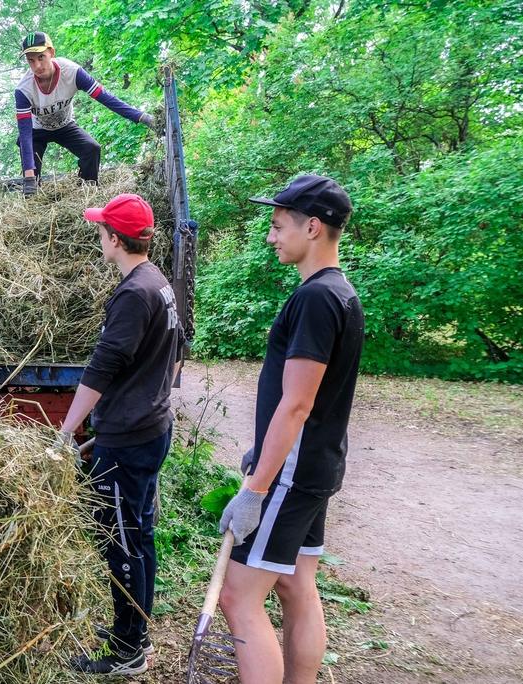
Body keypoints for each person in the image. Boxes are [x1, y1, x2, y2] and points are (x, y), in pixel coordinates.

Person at [217, 175, 363, 684]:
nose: (271, 237)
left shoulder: (316, 300)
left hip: (292, 474)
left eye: (279, 227)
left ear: (314, 227)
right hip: (316, 466)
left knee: (239, 597)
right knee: (296, 584)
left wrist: (258, 488)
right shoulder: (340, 293)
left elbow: (297, 404)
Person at [59, 194, 182, 675]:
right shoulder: (159, 283)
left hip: (128, 438)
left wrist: (66, 431)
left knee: (122, 539)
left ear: (115, 238)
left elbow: (102, 367)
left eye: (101, 231)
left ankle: (129, 652)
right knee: (139, 532)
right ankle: (135, 631)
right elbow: (176, 350)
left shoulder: (134, 293)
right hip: (150, 427)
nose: (98, 237)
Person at [14, 31, 155, 197]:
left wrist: (143, 118)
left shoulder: (72, 72)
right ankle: (31, 203)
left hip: (64, 126)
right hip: (36, 131)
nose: (37, 66)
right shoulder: (23, 89)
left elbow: (107, 98)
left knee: (92, 149)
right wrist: (29, 177)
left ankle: (87, 194)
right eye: (31, 60)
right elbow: (24, 133)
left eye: (41, 57)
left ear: (51, 52)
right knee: (31, 176)